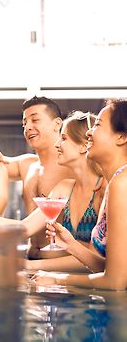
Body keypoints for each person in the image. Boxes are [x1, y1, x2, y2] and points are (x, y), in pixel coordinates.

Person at [0, 111, 106, 272]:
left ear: (84, 146)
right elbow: (25, 227)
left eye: (64, 138)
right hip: (62, 278)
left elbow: (97, 259)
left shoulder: (105, 189)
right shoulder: (64, 187)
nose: (57, 144)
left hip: (91, 282)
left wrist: (29, 265)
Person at [33, 99, 127, 290]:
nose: (89, 132)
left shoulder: (122, 183)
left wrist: (58, 280)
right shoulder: (115, 183)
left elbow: (116, 282)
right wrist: (71, 245)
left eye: (98, 125)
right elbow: (110, 269)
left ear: (121, 137)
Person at [0, 96, 73, 256]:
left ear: (57, 124)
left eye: (35, 120)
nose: (28, 127)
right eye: (24, 124)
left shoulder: (72, 167)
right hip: (30, 257)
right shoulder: (27, 164)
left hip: (61, 262)